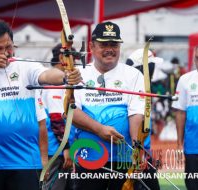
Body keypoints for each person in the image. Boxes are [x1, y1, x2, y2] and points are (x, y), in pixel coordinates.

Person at [0, 20, 81, 190]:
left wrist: (65, 77)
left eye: (9, 47)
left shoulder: (26, 66)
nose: (5, 53)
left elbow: (48, 75)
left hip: (24, 161)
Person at [72, 21, 145, 190]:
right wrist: (99, 129)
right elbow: (71, 112)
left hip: (123, 158)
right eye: (104, 44)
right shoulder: (78, 73)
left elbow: (136, 114)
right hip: (89, 156)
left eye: (114, 44)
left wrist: (136, 150)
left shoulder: (133, 75)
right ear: (92, 46)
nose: (110, 49)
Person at [41, 43, 75, 190]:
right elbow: (56, 117)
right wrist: (66, 148)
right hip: (56, 150)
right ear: (62, 57)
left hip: (56, 148)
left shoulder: (54, 78)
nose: (75, 62)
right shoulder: (55, 81)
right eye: (73, 57)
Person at [126, 49, 161, 190]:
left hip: (143, 154)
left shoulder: (143, 87)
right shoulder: (136, 89)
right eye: (151, 65)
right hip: (136, 156)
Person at [172, 45, 198, 190]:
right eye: (197, 58)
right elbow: (180, 113)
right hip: (193, 148)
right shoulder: (185, 80)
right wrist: (178, 145)